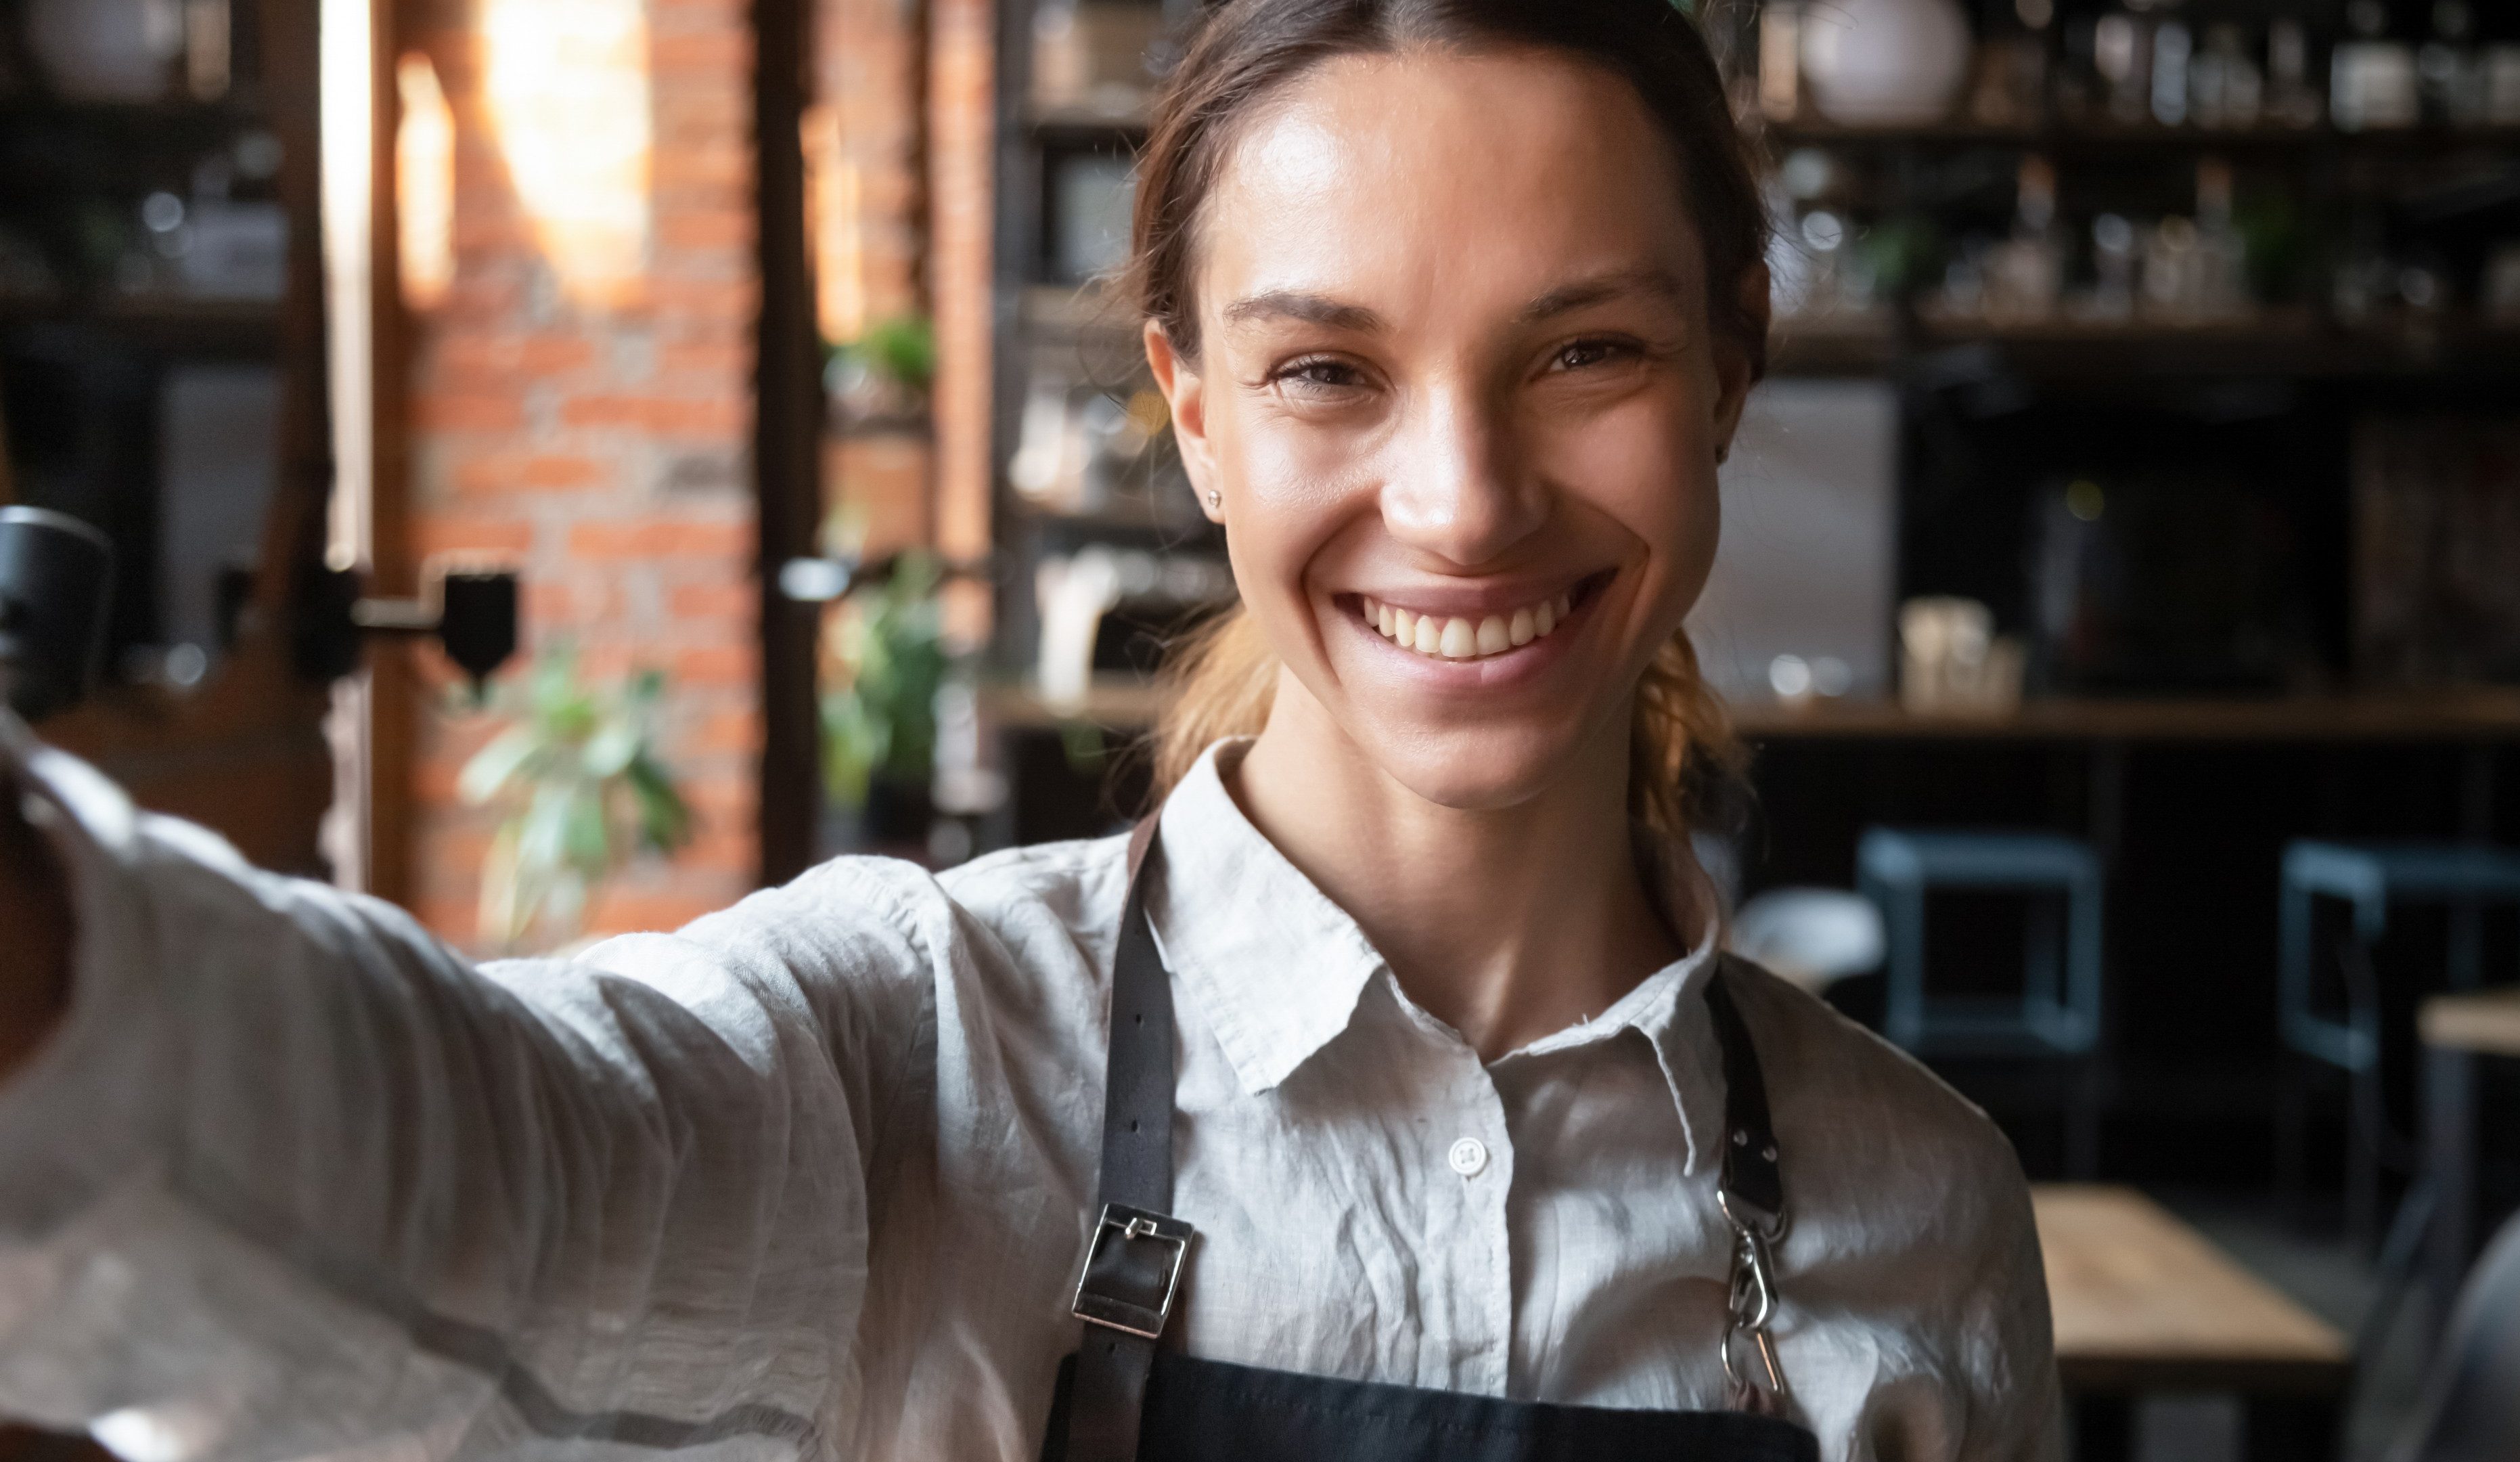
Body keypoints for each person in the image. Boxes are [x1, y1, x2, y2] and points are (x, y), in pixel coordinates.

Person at [0, 1, 2059, 1458]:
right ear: (1195, 417)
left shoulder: (1925, 1210)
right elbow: (464, 1176)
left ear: (1726, 371)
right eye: (1329, 369)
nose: (1463, 501)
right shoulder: (912, 1053)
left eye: (1585, 349)